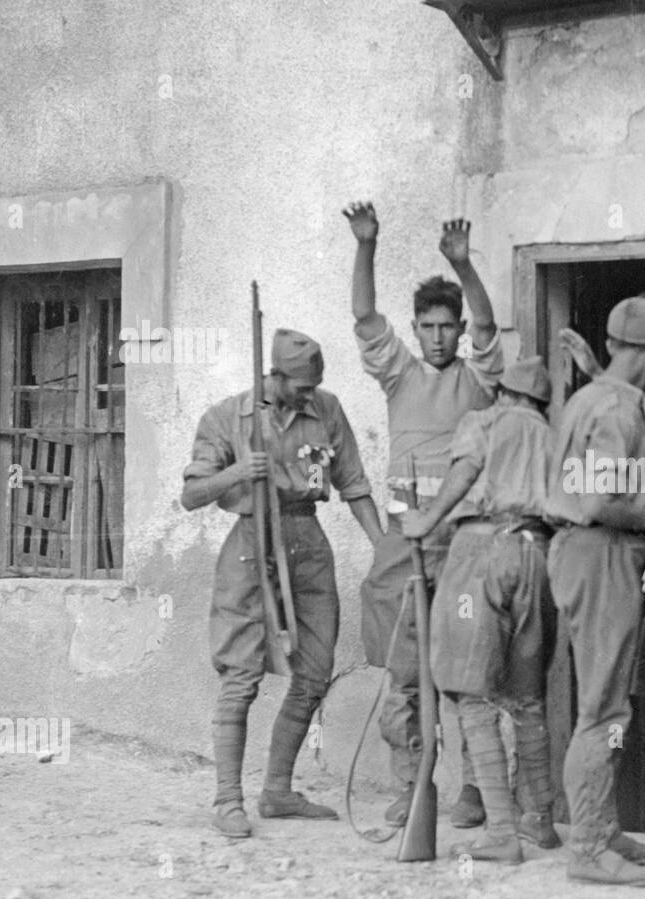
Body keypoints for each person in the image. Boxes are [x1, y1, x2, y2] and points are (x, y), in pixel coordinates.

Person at [182, 329, 384, 838]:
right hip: (251, 546)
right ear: (274, 375)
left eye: (313, 385)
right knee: (241, 676)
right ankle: (228, 799)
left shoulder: (328, 409)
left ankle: (277, 791)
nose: (307, 394)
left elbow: (354, 484)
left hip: (307, 543)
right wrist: (236, 475)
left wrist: (385, 549)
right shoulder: (227, 416)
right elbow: (190, 494)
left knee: (314, 673)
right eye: (299, 386)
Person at [343, 202, 502, 829]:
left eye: (447, 327)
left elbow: (488, 325)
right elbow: (363, 315)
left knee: (469, 672)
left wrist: (462, 266)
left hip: (463, 543)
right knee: (406, 677)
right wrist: (367, 246)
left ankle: (476, 792)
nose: (439, 337)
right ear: (416, 329)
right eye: (428, 327)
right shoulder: (398, 376)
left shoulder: (481, 376)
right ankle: (413, 787)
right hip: (406, 542)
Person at [545, 290, 645, 887]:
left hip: (592, 555)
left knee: (610, 703)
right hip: (599, 553)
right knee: (602, 706)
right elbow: (602, 501)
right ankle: (588, 847)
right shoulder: (616, 412)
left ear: (609, 345)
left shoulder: (592, 397)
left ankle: (605, 830)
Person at [400, 357, 559, 862]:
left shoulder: (484, 421)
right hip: (538, 553)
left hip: (480, 552)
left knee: (471, 694)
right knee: (527, 697)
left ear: (504, 394)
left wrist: (425, 520)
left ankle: (502, 834)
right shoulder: (555, 438)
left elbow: (466, 470)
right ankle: (541, 821)